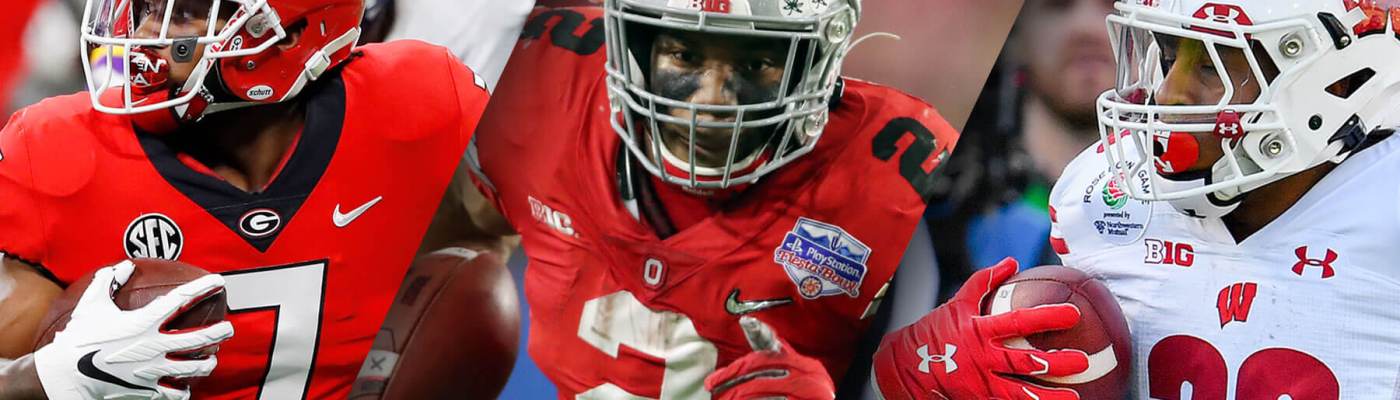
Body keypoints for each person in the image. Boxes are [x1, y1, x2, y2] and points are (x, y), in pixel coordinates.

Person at [873, 0, 1400, 398]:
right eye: (1167, 57)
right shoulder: (1103, 198)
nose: (1169, 95)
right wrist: (941, 373)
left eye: (1212, 66)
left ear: (1337, 83)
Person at [431, 0, 959, 397]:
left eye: (755, 64)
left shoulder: (896, 177)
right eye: (684, 54)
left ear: (816, 61)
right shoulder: (542, 80)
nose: (712, 103)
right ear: (636, 45)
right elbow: (464, 227)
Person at [0, 0, 492, 398]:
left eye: (184, 12)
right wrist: (47, 378)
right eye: (147, 8)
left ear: (289, 35)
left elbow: (505, 231)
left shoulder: (414, 102)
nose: (145, 33)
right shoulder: (53, 153)